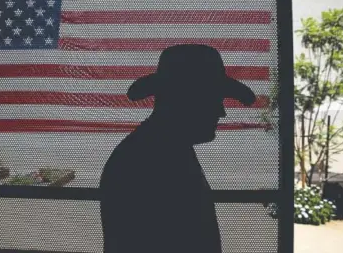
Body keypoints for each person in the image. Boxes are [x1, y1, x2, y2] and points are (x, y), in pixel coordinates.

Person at [99, 44, 256, 253]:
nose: (221, 112)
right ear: (187, 99)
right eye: (214, 99)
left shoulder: (157, 151)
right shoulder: (150, 163)